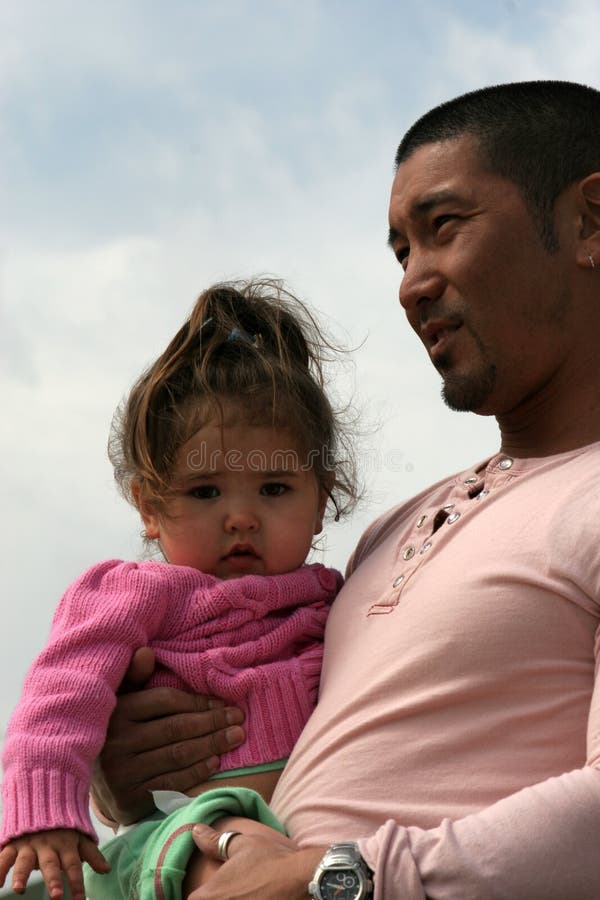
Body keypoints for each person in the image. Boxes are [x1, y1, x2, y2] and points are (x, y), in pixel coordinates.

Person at [87, 80, 600, 899]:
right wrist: (127, 773)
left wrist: (334, 879)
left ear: (589, 222)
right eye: (402, 253)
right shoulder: (385, 533)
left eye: (444, 227)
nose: (412, 283)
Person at [0, 279, 359, 900]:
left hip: (296, 849)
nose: (241, 518)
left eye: (275, 489)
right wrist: (45, 810)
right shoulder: (139, 595)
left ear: (321, 499)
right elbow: (63, 692)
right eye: (204, 491)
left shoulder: (339, 602)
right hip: (171, 836)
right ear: (149, 506)